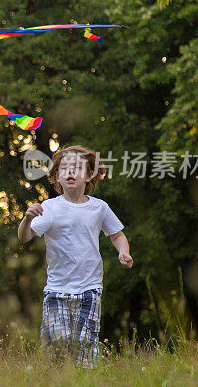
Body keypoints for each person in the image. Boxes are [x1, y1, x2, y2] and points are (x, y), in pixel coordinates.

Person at [18, 145, 133, 368]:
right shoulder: (49, 208)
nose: (70, 172)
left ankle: (85, 379)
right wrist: (26, 219)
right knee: (57, 348)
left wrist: (124, 252)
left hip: (90, 288)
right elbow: (25, 237)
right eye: (64, 169)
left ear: (88, 175)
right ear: (56, 176)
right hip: (56, 289)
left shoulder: (99, 208)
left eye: (77, 168)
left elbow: (117, 235)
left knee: (85, 345)